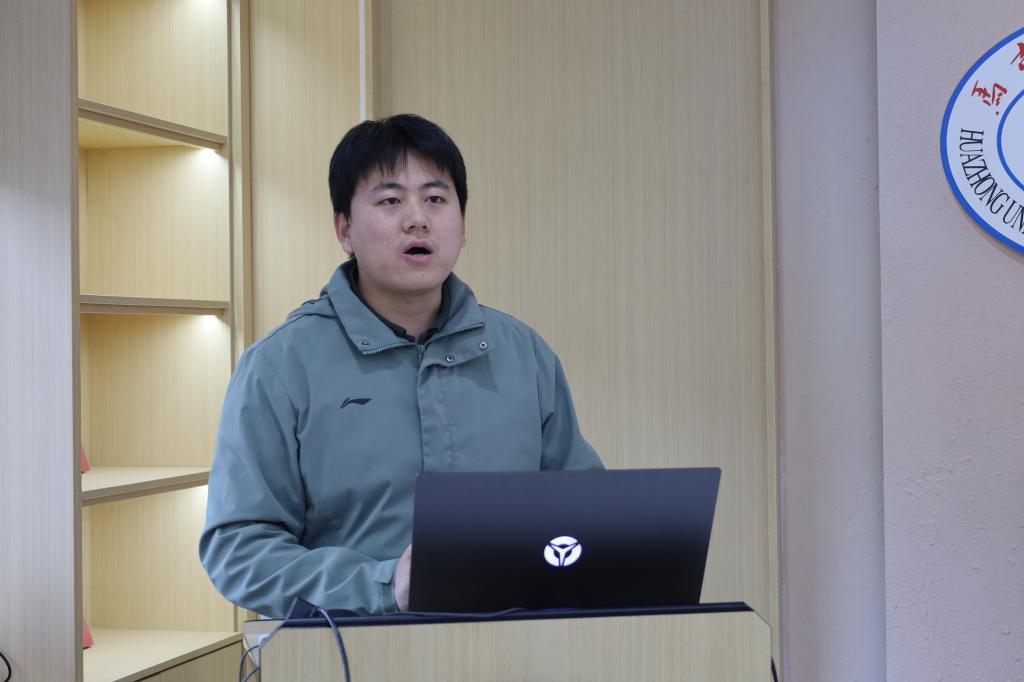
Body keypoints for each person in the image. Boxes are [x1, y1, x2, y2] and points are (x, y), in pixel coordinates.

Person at [199, 114, 603, 618]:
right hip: (349, 650)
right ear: (344, 229)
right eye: (390, 201)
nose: (417, 219)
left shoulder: (524, 353)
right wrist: (383, 585)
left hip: (514, 643)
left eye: (436, 199)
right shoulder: (279, 365)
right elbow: (238, 551)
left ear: (462, 225)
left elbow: (585, 513)